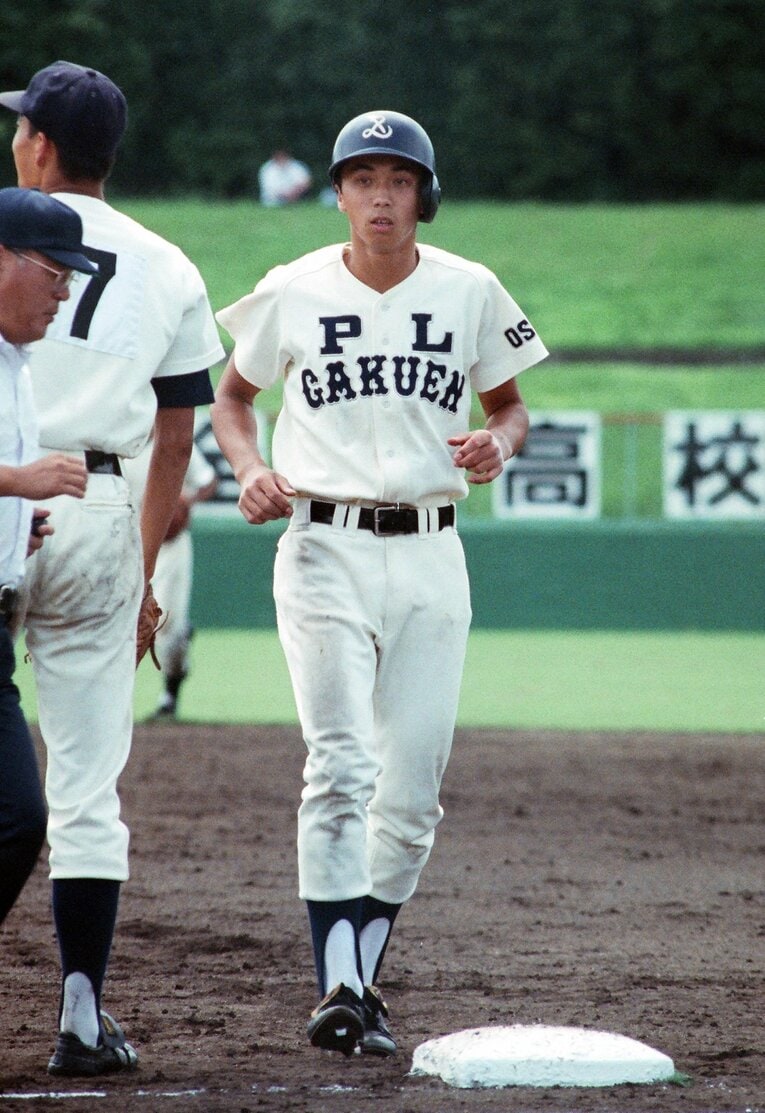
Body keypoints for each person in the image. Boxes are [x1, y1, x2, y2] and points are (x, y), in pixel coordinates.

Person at [211, 109, 549, 1057]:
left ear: (423, 196)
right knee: (340, 766)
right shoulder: (293, 289)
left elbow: (513, 403)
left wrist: (501, 440)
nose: (380, 196)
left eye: (397, 179)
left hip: (433, 550)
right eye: (362, 179)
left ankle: (358, 975)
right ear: (338, 193)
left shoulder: (470, 289)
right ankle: (341, 986)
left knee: (410, 792)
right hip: (322, 544)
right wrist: (245, 468)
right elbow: (234, 400)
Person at [0, 61, 224, 1076]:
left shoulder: (7, 232)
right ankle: (83, 1019)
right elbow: (176, 439)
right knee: (90, 789)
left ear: (41, 145)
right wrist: (140, 571)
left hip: (9, 496)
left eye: (20, 130)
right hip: (101, 507)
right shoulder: (170, 264)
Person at [0, 187, 94, 927]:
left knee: (19, 821)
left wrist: (12, 522)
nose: (63, 293)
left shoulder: (17, 365)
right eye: (54, 272)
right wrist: (17, 481)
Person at [122, 439, 218, 721]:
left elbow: (209, 480)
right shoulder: (121, 439)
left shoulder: (172, 435)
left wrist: (189, 499)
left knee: (169, 626)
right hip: (126, 542)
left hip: (169, 545)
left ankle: (170, 695)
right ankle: (112, 707)